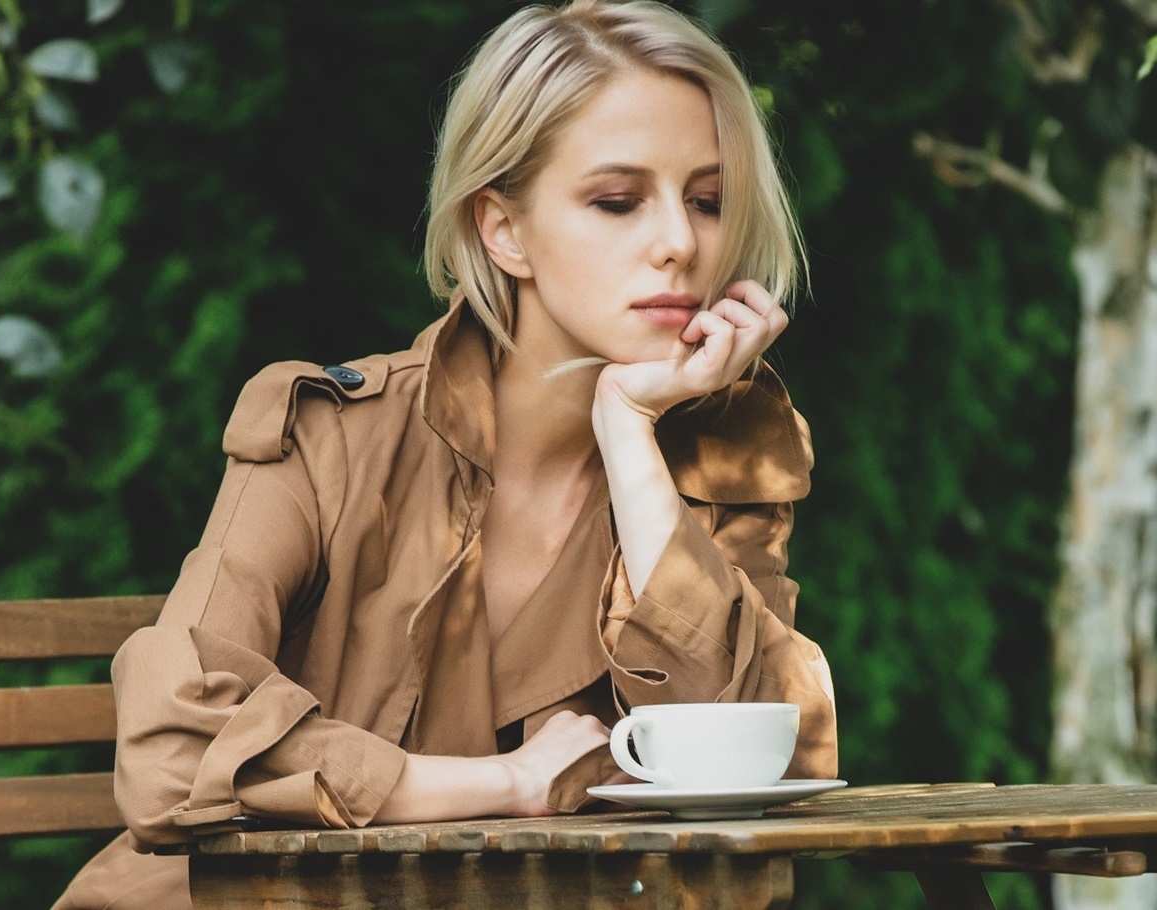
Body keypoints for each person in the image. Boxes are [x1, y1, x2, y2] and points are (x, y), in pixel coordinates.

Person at [55, 1, 837, 907]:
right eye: (617, 201)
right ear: (502, 229)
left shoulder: (714, 462)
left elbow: (747, 766)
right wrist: (499, 788)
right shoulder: (330, 436)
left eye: (706, 201)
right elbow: (171, 742)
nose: (680, 243)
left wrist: (627, 431)